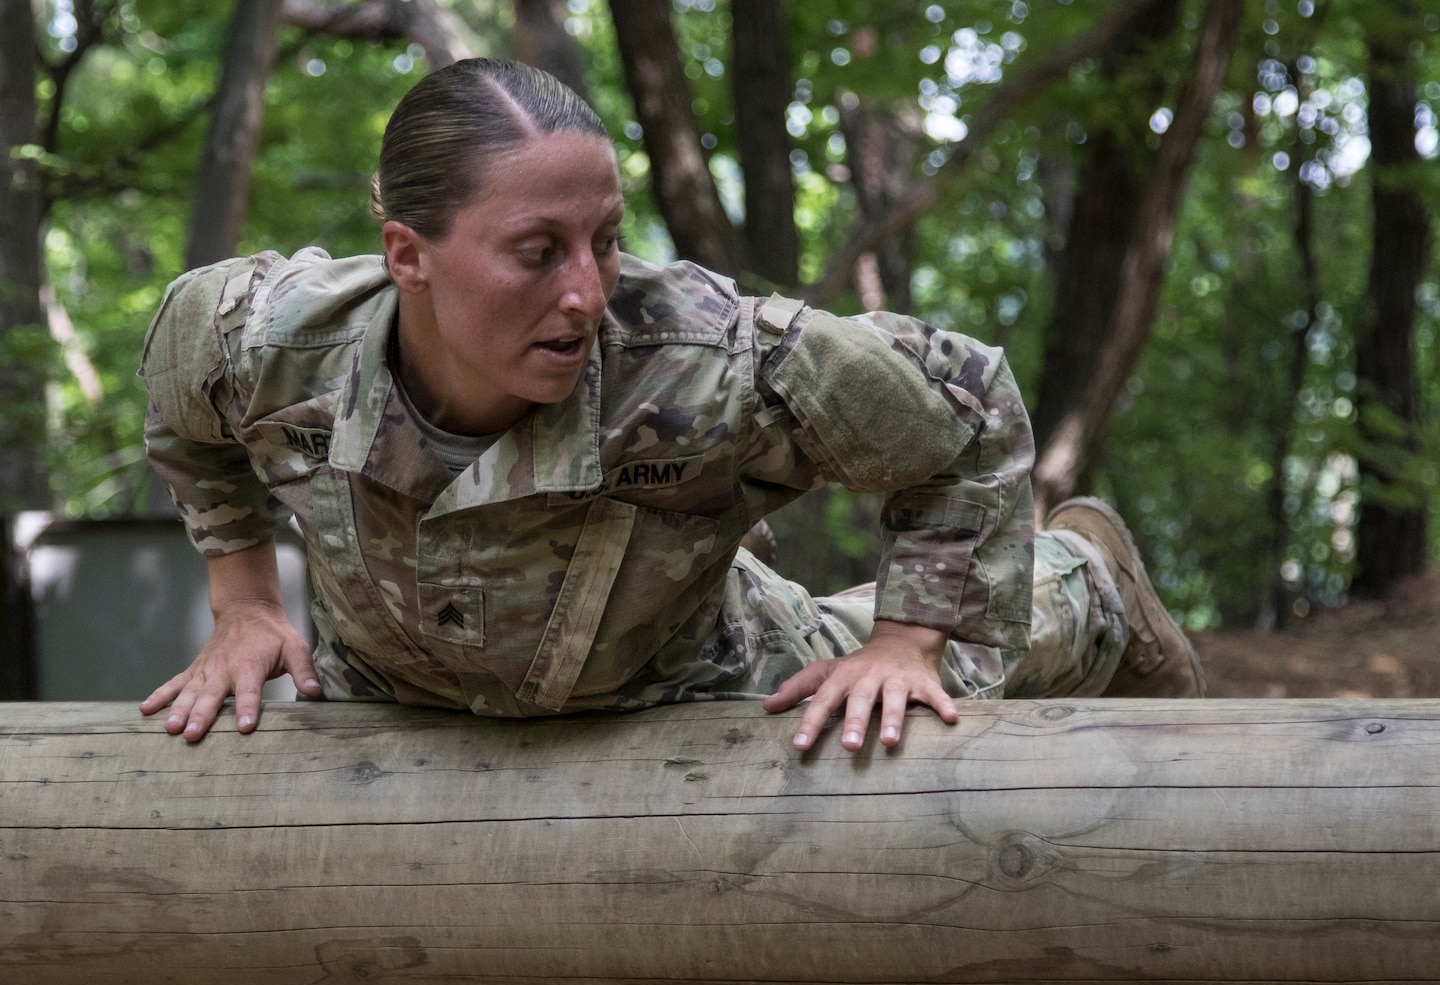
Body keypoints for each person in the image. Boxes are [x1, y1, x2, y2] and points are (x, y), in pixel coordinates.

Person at [139, 58, 1203, 751]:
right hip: (411, 690)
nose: (584, 293)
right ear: (408, 255)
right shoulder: (266, 341)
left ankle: (1092, 579)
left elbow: (965, 406)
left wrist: (908, 644)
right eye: (536, 253)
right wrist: (244, 606)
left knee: (911, 673)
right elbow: (184, 414)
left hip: (704, 675)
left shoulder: (706, 358)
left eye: (603, 240)